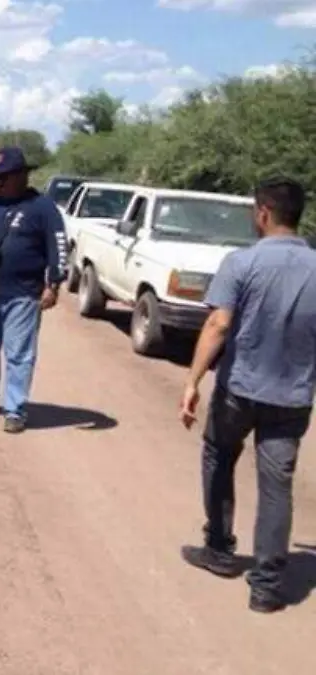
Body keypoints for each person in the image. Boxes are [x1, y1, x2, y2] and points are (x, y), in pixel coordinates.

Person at [177, 176, 316, 614]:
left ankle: (219, 549)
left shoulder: (241, 262)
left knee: (219, 456)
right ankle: (266, 586)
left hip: (239, 389)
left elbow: (218, 324)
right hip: (292, 397)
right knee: (277, 487)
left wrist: (192, 382)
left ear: (262, 213)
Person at [0, 146, 67, 433]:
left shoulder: (42, 207)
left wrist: (53, 284)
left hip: (22, 293)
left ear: (22, 175)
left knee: (19, 353)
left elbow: (58, 246)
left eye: (5, 176)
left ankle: (15, 408)